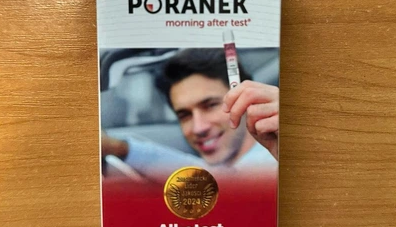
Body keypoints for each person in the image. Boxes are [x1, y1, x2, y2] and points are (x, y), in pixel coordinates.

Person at [102, 48, 279, 182]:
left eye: (210, 105)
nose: (198, 128)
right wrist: (119, 148)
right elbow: (200, 173)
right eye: (185, 115)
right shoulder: (228, 172)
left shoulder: (276, 164)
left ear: (246, 99)